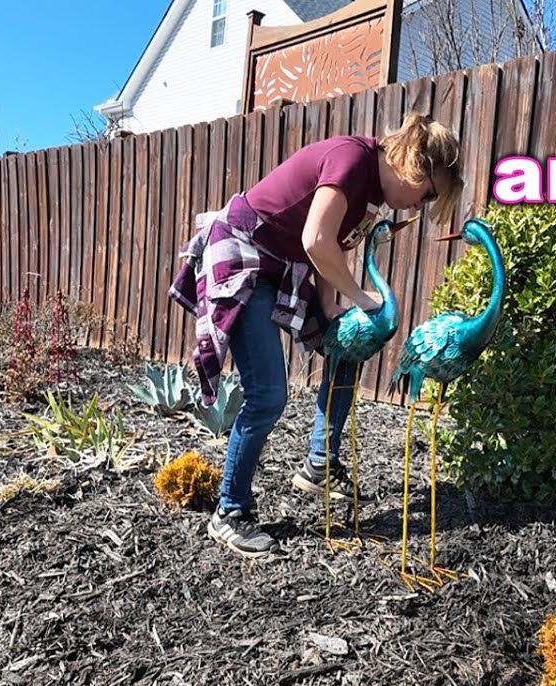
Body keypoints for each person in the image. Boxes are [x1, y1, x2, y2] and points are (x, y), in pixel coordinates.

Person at [169, 113, 464, 558]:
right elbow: (317, 239)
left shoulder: (371, 198)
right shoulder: (351, 161)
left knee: (346, 349)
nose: (419, 207)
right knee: (268, 394)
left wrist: (331, 311)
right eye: (426, 195)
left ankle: (319, 465)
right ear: (414, 166)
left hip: (284, 266)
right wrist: (361, 299)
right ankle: (229, 512)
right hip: (244, 251)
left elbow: (336, 248)